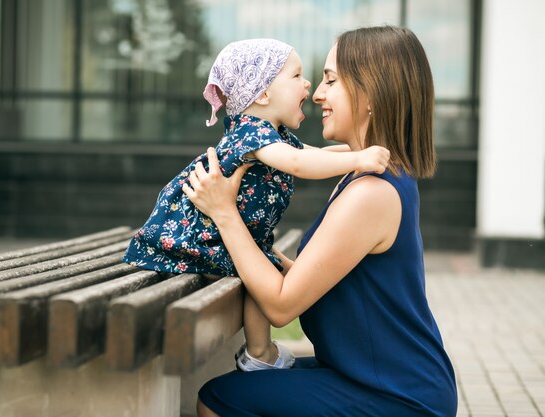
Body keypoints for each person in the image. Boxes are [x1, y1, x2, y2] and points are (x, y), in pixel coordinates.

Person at [183, 26, 458, 417]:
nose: (316, 94)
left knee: (218, 400)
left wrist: (224, 212)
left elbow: (281, 308)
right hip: (385, 380)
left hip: (399, 398)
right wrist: (282, 265)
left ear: (371, 94)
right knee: (243, 387)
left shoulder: (371, 192)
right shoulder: (364, 170)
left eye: (331, 79)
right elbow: (351, 283)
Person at [123, 38, 390, 372]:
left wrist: (357, 156)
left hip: (227, 233)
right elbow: (297, 164)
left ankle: (259, 353)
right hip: (201, 236)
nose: (309, 85)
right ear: (263, 94)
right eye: (296, 76)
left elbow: (315, 155)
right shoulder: (252, 134)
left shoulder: (273, 135)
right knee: (263, 272)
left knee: (263, 270)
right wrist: (360, 158)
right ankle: (259, 352)